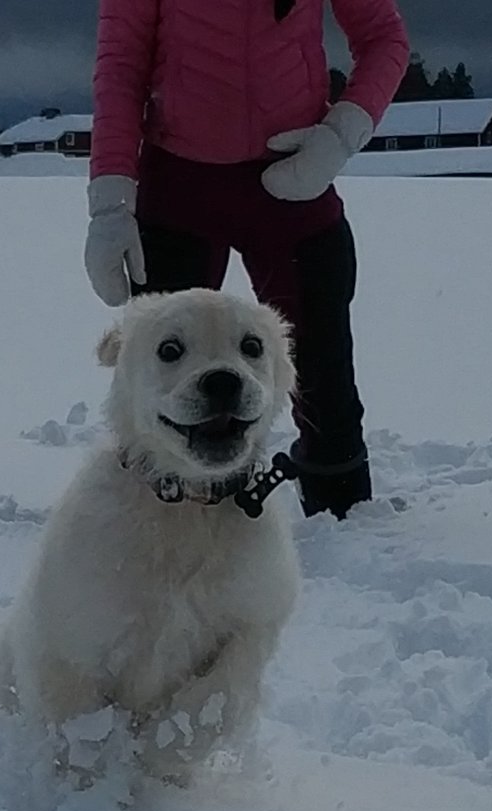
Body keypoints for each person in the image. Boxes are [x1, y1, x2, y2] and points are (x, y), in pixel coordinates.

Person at [84, 0, 409, 519]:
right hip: (179, 187)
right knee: (165, 370)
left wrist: (342, 133)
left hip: (294, 180)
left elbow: (385, 40)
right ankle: (155, 513)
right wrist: (110, 203)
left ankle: (340, 509)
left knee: (322, 366)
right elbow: (121, 66)